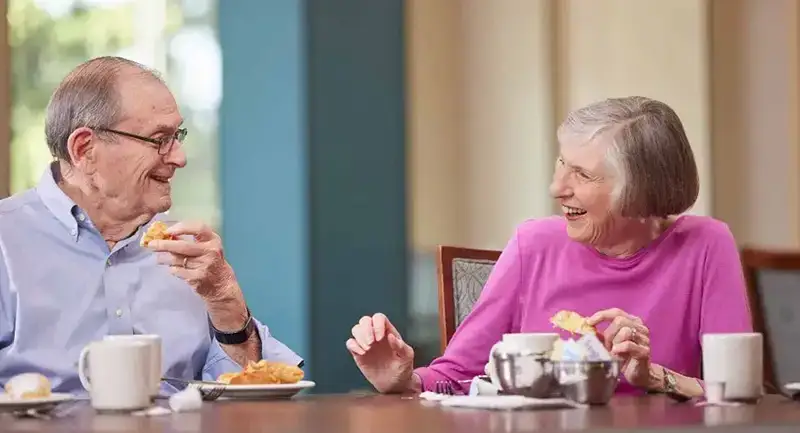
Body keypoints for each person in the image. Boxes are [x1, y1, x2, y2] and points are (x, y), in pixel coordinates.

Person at [347, 96, 752, 398]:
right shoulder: (533, 244)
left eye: (583, 175)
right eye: (562, 164)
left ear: (642, 193)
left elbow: (737, 390)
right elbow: (455, 376)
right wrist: (404, 381)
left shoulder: (705, 244)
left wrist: (653, 377)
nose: (557, 189)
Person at [0, 57, 301, 394]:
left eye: (178, 136)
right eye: (160, 139)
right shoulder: (5, 241)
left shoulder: (188, 252)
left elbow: (252, 389)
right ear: (85, 149)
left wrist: (225, 305)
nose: (180, 158)